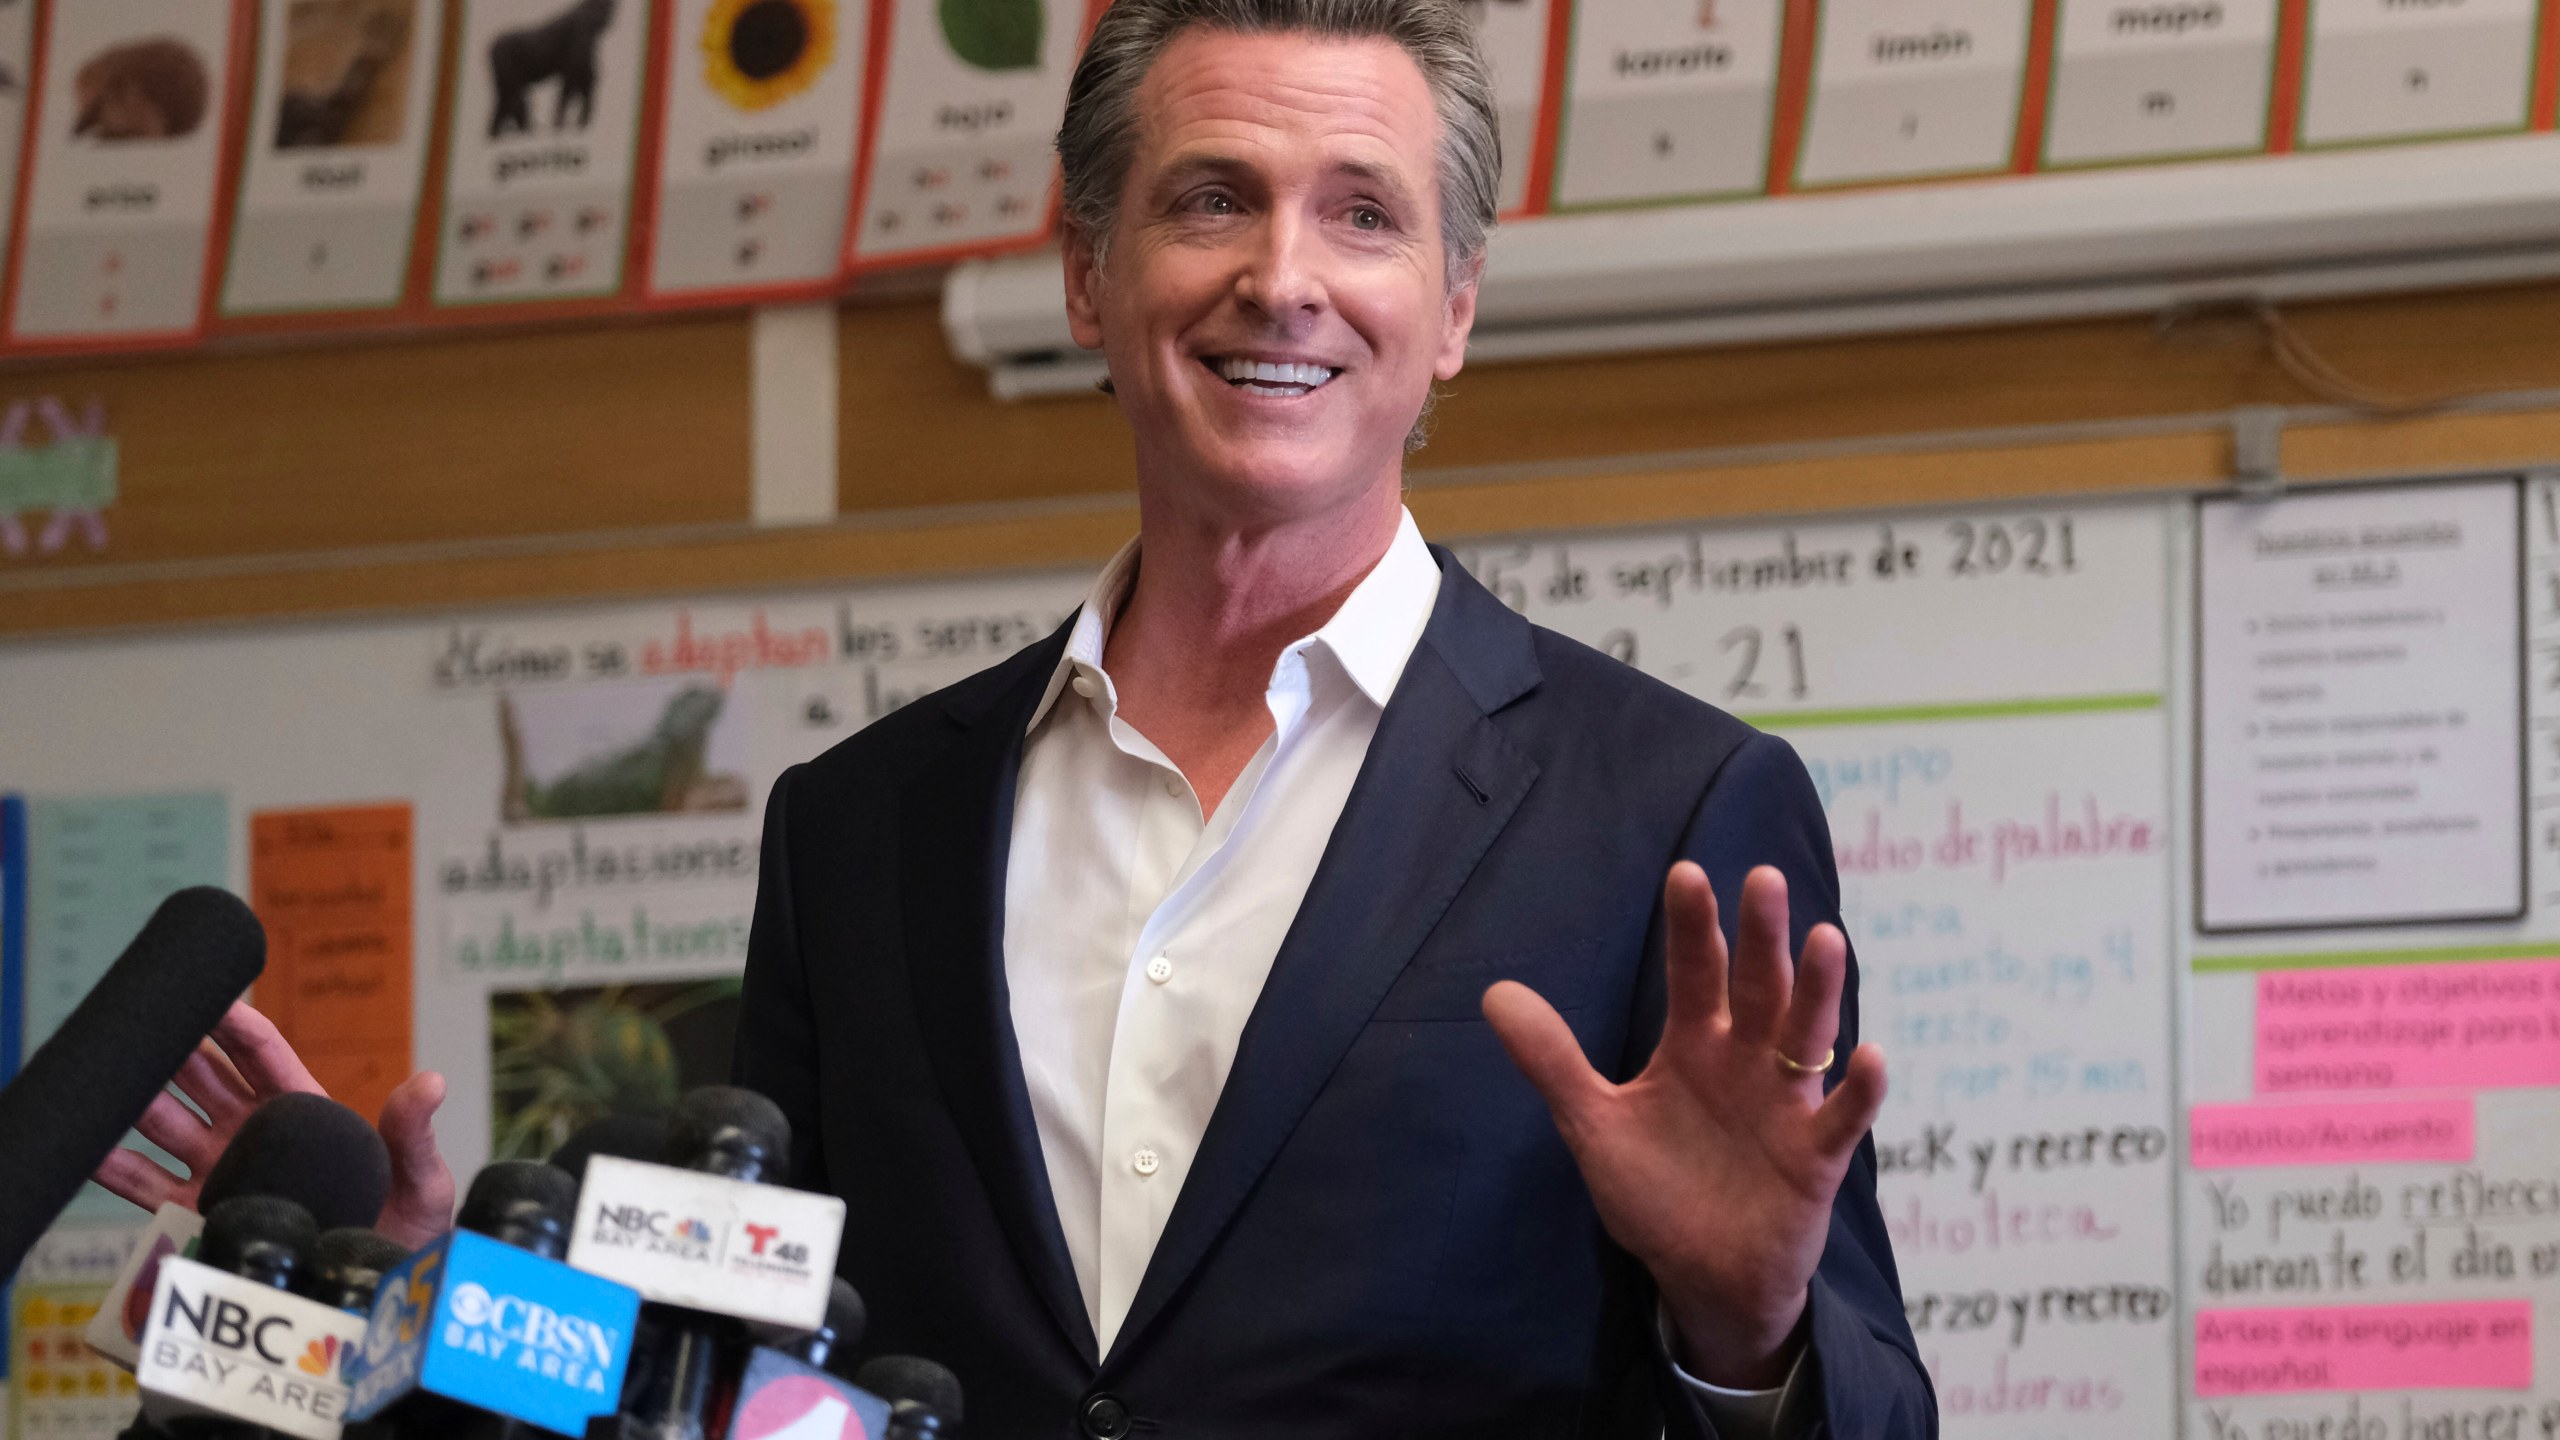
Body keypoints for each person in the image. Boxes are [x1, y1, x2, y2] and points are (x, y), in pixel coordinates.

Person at [103, 0, 1932, 1432]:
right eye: (1209, 195)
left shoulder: (1668, 808)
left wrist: (1744, 1326)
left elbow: (1876, 1420)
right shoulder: (861, 829)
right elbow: (748, 1387)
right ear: (1088, 274)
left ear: (1451, 308)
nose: (1279, 275)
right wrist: (428, 1293)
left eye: (1362, 215)